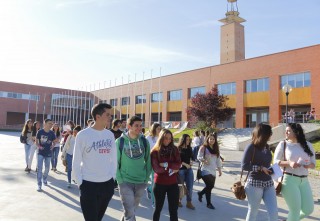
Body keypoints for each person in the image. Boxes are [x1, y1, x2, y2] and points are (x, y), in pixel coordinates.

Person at [72, 103, 117, 221]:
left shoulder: (110, 135)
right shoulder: (83, 135)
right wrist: (80, 183)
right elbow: (76, 161)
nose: (110, 117)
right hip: (88, 185)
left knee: (98, 218)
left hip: (107, 185)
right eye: (107, 115)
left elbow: (114, 159)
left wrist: (112, 178)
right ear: (98, 116)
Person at [274, 123, 316, 221]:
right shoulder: (283, 144)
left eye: (289, 131)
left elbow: (313, 163)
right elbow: (275, 162)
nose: (286, 132)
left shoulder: (308, 145)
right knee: (295, 210)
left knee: (308, 209)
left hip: (304, 180)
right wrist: (289, 163)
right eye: (286, 130)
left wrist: (308, 165)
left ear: (296, 133)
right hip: (288, 180)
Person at [116, 116, 152, 221]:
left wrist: (146, 178)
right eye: (136, 125)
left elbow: (148, 161)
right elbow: (115, 162)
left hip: (141, 182)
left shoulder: (145, 142)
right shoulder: (120, 141)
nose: (139, 128)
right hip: (125, 182)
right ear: (129, 126)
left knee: (131, 211)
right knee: (130, 212)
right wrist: (120, 180)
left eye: (141, 125)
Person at [241, 123, 277, 221]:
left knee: (274, 213)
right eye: (270, 133)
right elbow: (244, 165)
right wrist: (260, 168)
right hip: (254, 184)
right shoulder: (251, 147)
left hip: (269, 184)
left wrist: (274, 170)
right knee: (253, 212)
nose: (271, 134)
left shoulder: (267, 147)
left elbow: (267, 164)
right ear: (264, 134)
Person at [151, 129, 181, 221]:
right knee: (158, 209)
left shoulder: (174, 149)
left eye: (169, 138)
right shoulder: (155, 152)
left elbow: (178, 164)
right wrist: (172, 168)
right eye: (165, 138)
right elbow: (157, 169)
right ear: (161, 138)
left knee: (173, 210)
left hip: (173, 184)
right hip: (160, 184)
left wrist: (166, 165)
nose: (167, 140)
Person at [197, 133, 222, 210]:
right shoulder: (203, 148)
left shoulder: (216, 149)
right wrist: (203, 160)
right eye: (210, 139)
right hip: (205, 169)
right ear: (207, 139)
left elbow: (218, 160)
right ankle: (208, 203)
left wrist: (220, 169)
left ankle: (200, 193)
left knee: (210, 186)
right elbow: (198, 157)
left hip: (213, 170)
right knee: (210, 185)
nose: (212, 140)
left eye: (213, 139)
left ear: (215, 140)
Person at [36, 119, 56, 191]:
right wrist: (39, 146)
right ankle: (39, 184)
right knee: (39, 169)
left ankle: (44, 178)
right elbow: (36, 141)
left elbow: (54, 142)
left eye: (51, 123)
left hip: (48, 153)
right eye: (49, 123)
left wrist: (53, 146)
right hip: (40, 153)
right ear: (45, 123)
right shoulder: (40, 132)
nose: (51, 125)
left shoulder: (52, 133)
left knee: (47, 168)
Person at [177, 134, 195, 210]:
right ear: (183, 140)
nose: (188, 141)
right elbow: (177, 160)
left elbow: (192, 158)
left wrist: (191, 162)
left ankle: (189, 202)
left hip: (189, 170)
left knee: (190, 187)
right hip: (181, 170)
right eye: (187, 139)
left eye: (189, 139)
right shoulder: (178, 148)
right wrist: (184, 164)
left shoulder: (189, 148)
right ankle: (179, 201)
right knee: (180, 187)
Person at [146, 122, 161, 207]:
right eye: (158, 128)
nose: (159, 130)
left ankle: (149, 189)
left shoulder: (160, 138)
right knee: (154, 181)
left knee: (157, 182)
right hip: (151, 162)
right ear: (154, 129)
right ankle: (154, 202)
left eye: (160, 129)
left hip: (160, 162)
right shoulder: (148, 138)